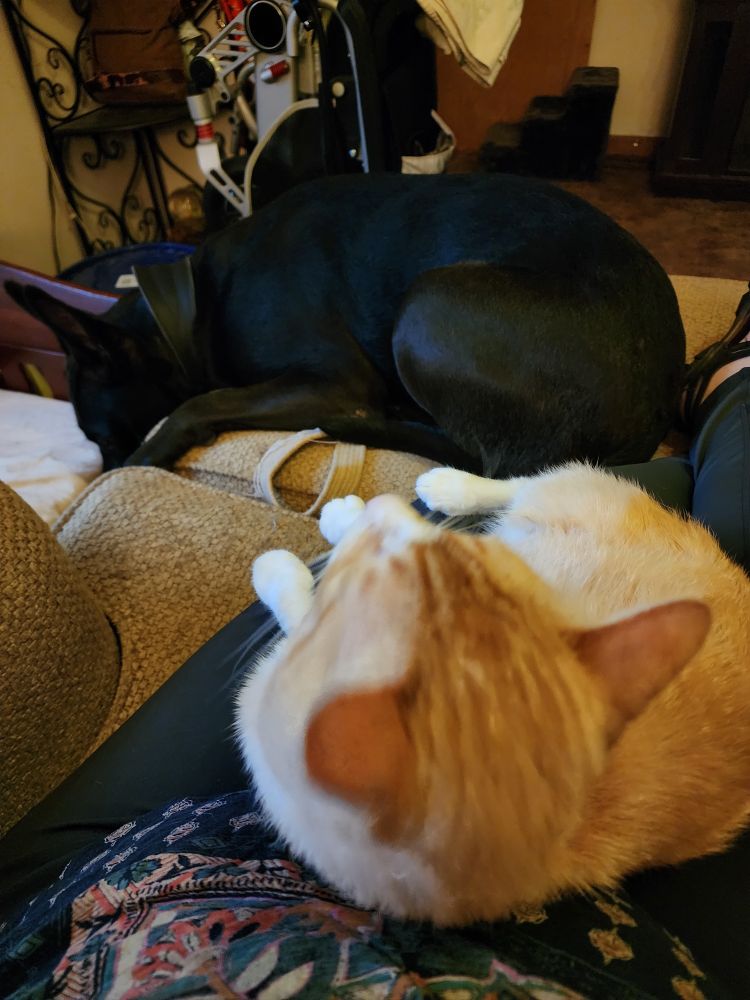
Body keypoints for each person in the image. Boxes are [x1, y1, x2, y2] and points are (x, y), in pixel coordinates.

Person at [1, 291, 749, 998]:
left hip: (79, 904)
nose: (397, 515)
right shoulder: (411, 743)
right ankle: (732, 387)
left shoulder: (349, 751)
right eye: (451, 550)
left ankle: (732, 389)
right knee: (680, 493)